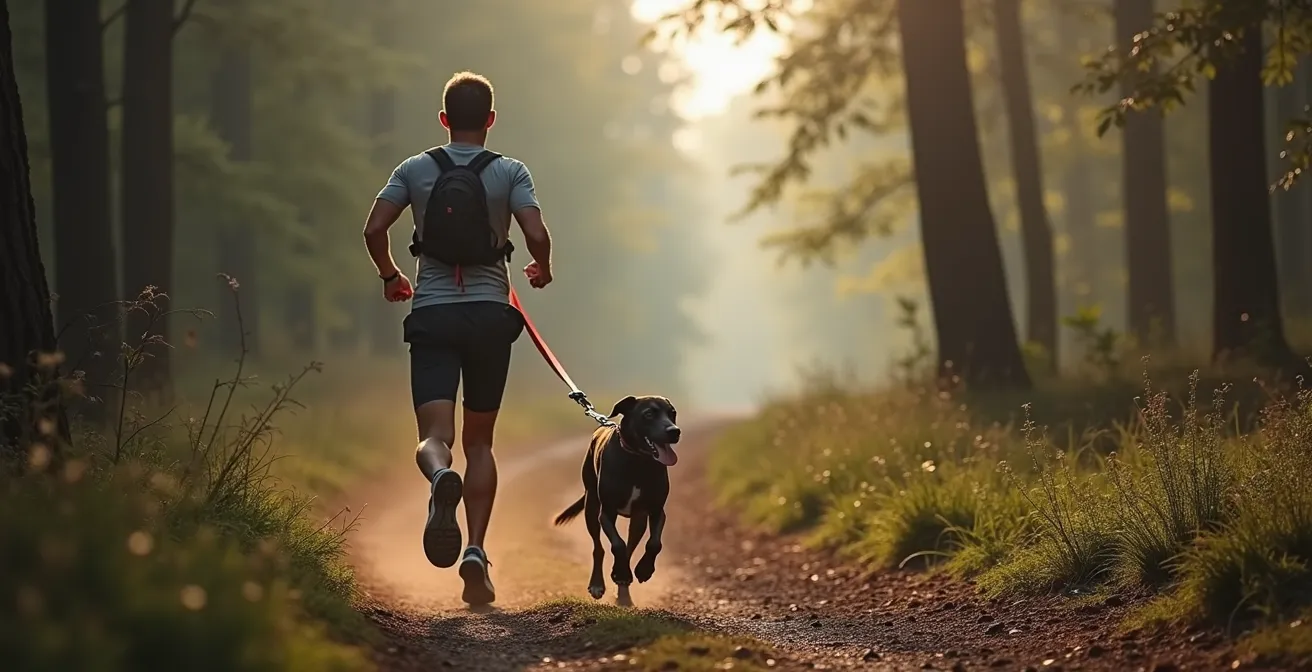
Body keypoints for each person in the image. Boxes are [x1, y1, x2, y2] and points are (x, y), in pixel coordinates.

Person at [362, 71, 553, 606]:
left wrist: (391, 276)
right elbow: (535, 234)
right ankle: (474, 550)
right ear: (490, 120)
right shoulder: (510, 171)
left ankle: (440, 474)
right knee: (482, 441)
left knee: (436, 436)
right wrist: (541, 267)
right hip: (491, 316)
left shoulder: (415, 169)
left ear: (444, 119)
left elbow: (374, 229)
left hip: (434, 316)